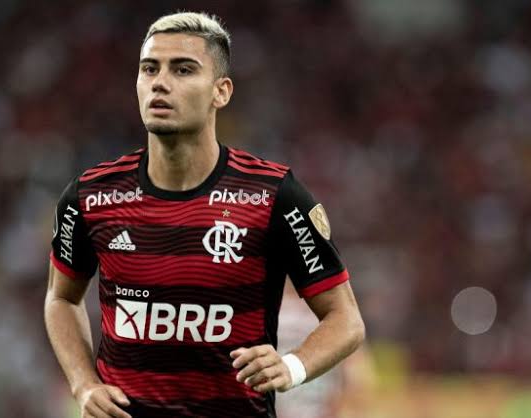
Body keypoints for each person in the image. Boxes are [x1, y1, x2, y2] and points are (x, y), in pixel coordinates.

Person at [44, 11, 365, 418]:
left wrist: (292, 366)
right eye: (149, 69)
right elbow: (61, 297)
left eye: (183, 69)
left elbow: (345, 319)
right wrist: (83, 383)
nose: (160, 82)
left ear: (221, 92)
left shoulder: (275, 196)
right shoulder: (90, 196)